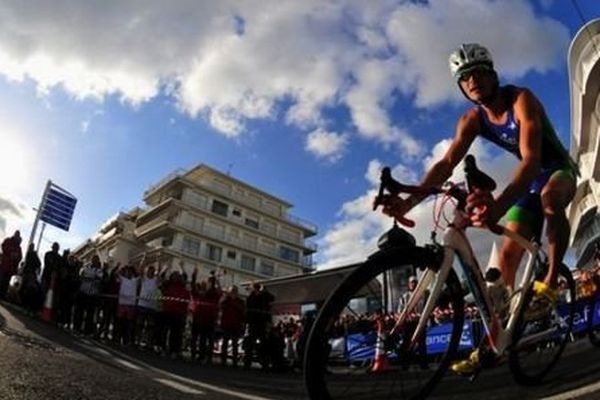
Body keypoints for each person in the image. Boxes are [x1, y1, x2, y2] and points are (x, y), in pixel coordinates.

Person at [380, 43, 577, 375]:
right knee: (507, 262)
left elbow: (531, 162)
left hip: (555, 171)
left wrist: (498, 207)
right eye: (464, 78)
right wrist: (410, 201)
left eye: (479, 73)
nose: (473, 81)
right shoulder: (472, 119)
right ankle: (494, 344)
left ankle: (551, 281)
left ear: (493, 75)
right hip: (528, 185)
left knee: (549, 201)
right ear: (461, 87)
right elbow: (446, 163)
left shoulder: (520, 99)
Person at [0, 230, 22, 299]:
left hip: (11, 268)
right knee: (1, 280)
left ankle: (2, 295)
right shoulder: (8, 241)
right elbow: (3, 247)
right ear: (14, 235)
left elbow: (20, 257)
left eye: (18, 235)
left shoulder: (18, 247)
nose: (17, 237)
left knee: (6, 282)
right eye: (16, 235)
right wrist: (11, 253)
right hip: (4, 265)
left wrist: (16, 257)